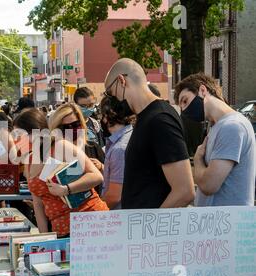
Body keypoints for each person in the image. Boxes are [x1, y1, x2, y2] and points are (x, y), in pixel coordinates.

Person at [104, 58, 195, 209]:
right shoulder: (147, 117)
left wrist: (150, 227)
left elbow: (185, 191)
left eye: (111, 93)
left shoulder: (160, 120)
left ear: (122, 81)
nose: (113, 101)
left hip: (149, 228)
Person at [13, 108, 108, 238]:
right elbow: (38, 203)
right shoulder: (29, 160)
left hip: (90, 222)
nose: (17, 140)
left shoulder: (60, 146)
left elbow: (96, 176)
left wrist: (66, 189)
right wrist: (44, 238)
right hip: (62, 230)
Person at [175, 73, 256, 206]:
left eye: (185, 101)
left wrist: (197, 160)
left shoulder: (232, 126)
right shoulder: (216, 127)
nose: (184, 110)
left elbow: (208, 185)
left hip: (229, 223)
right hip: (218, 222)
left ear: (202, 90)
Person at [98, 96, 133, 209]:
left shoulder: (119, 149)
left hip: (118, 214)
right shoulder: (131, 135)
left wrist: (97, 212)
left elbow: (115, 196)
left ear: (106, 116)